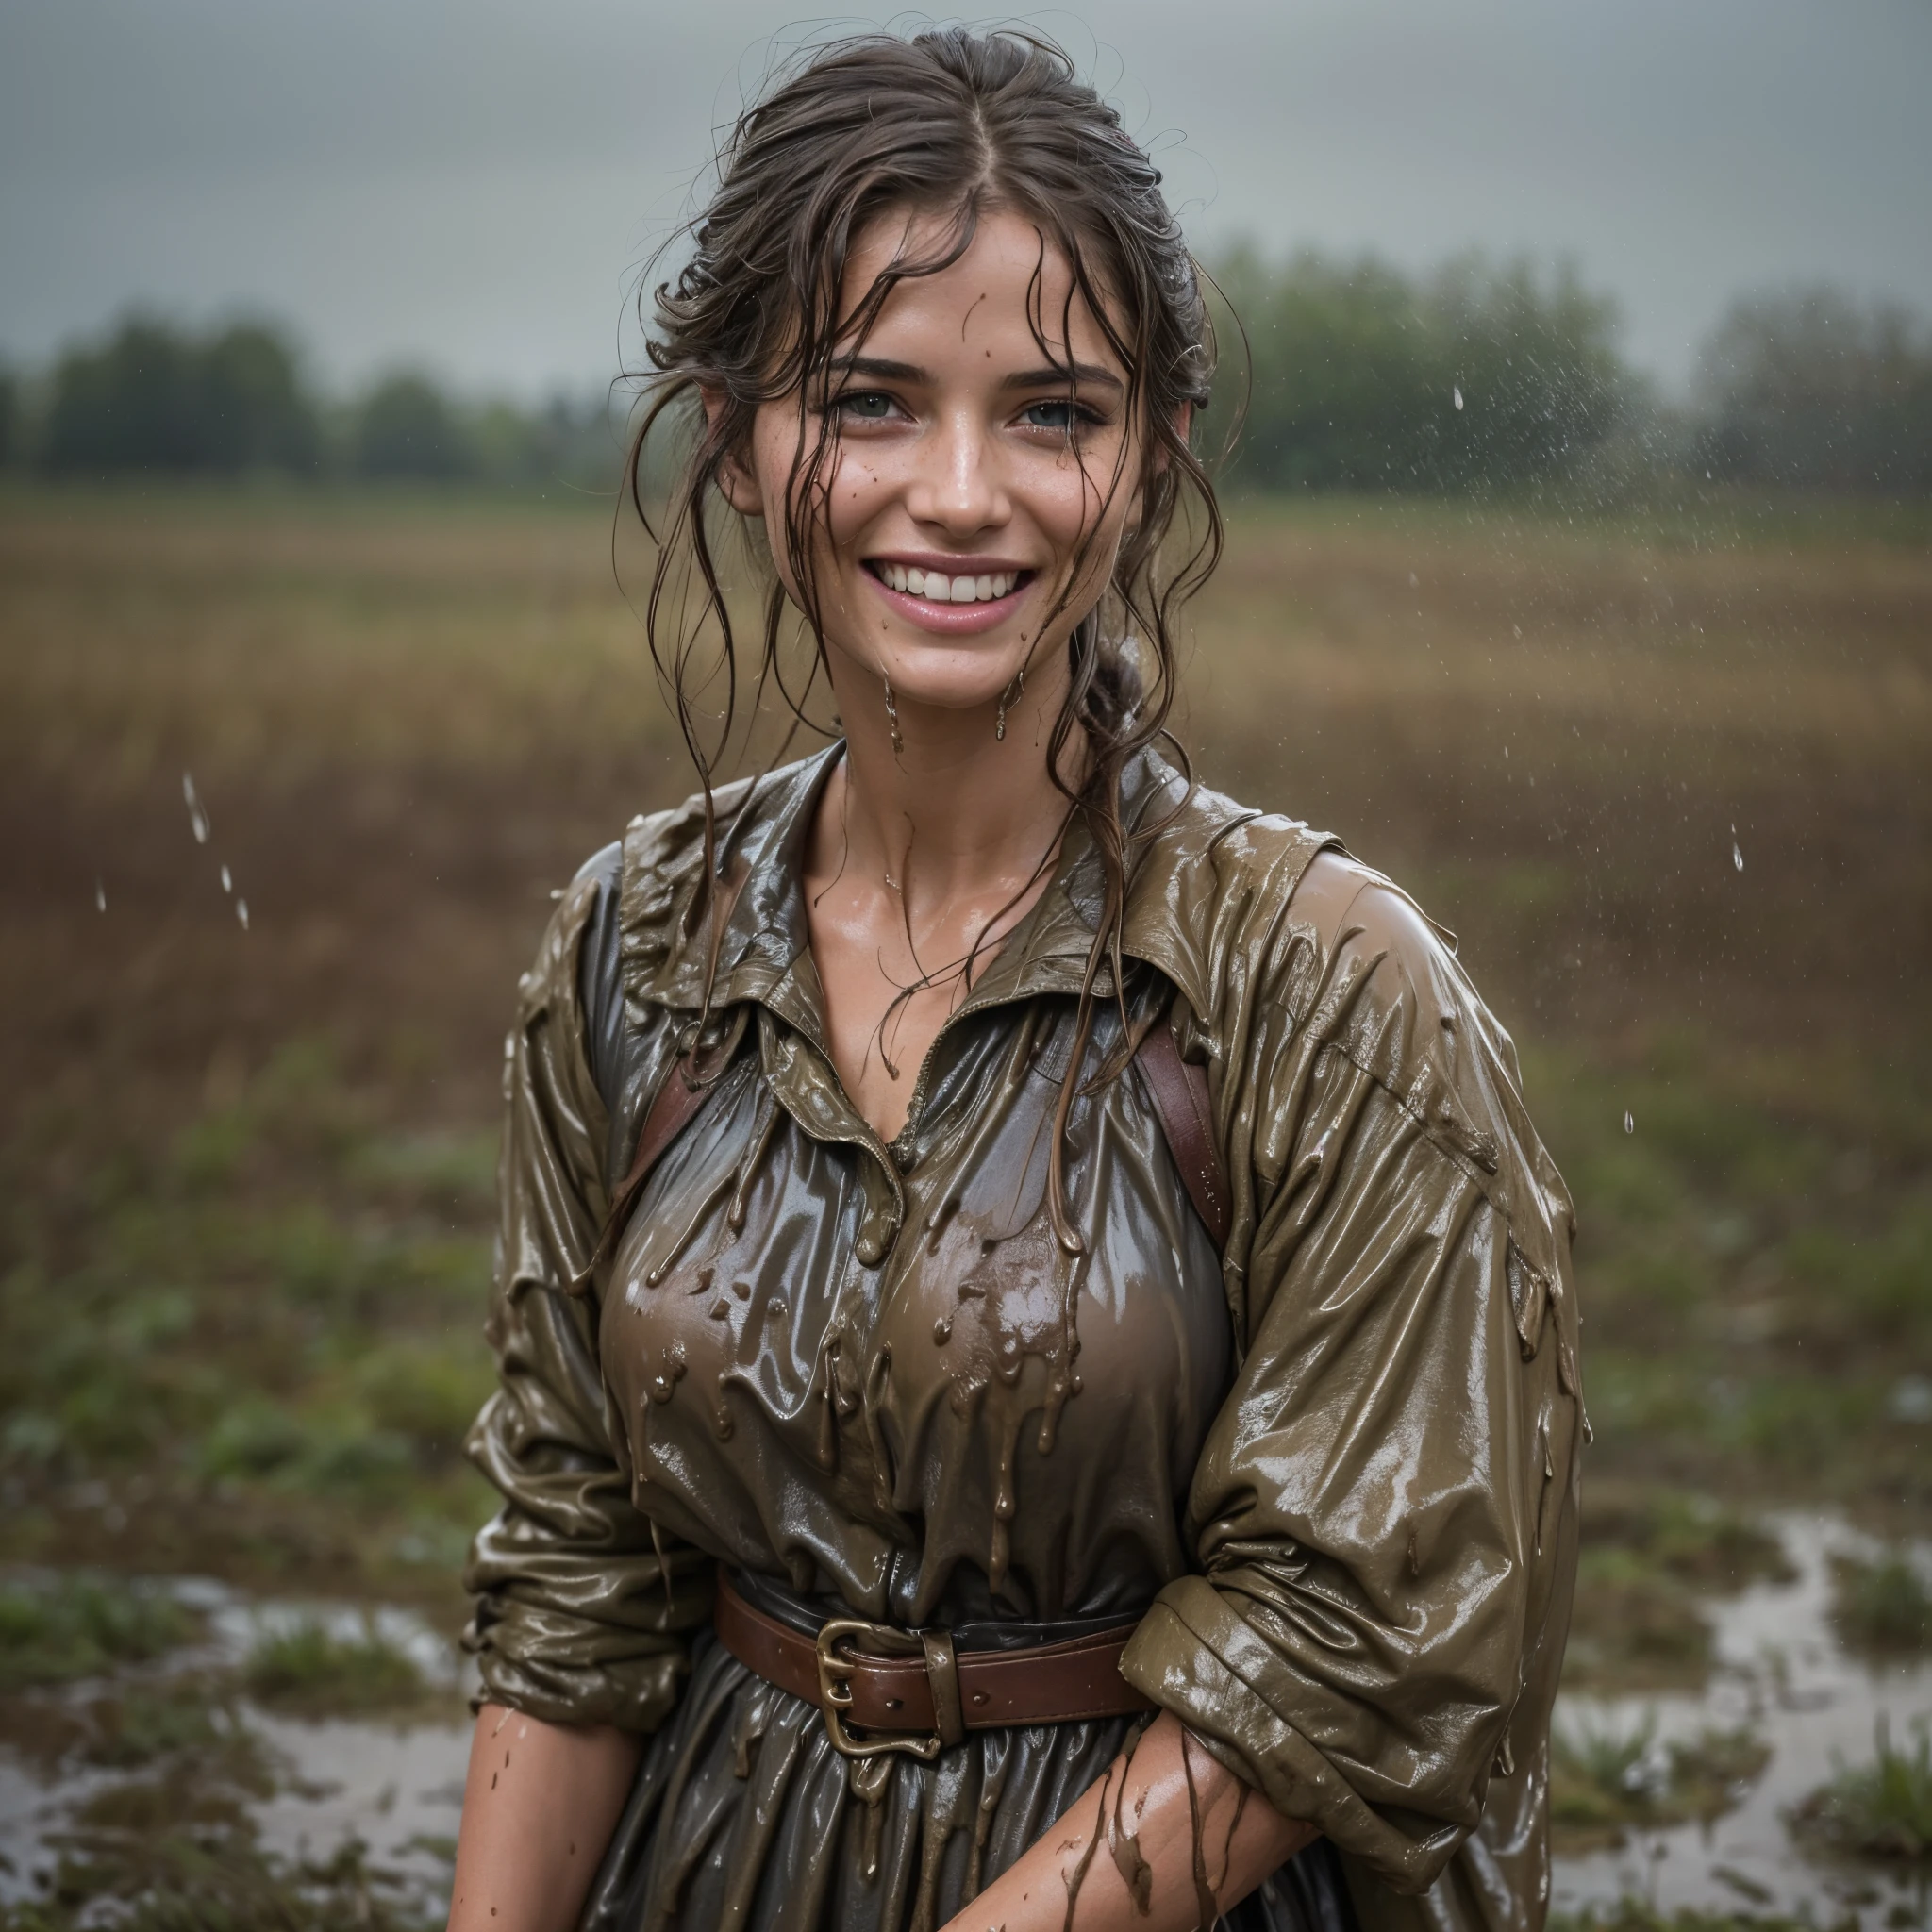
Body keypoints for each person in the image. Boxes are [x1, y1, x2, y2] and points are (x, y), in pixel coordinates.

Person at [444, 28, 1581, 1932]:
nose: (960, 491)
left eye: (1050, 411)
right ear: (737, 437)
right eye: (871, 399)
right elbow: (577, 1571)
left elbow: (1353, 1639)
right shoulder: (630, 950)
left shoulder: (1320, 990)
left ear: (1150, 458)